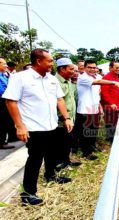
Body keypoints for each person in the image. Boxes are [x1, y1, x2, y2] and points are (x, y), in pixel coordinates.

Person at [3, 49, 74, 205]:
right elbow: (11, 101)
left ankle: (50, 175)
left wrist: (66, 118)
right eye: (49, 61)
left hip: (51, 125)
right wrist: (20, 126)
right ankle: (28, 193)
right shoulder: (20, 78)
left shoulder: (51, 79)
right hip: (34, 128)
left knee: (52, 154)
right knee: (35, 159)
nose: (52, 64)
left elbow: (60, 99)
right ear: (38, 61)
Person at [75, 60, 119, 160]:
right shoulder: (83, 77)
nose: (92, 69)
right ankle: (86, 152)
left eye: (94, 67)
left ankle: (92, 147)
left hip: (95, 108)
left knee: (94, 131)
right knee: (86, 132)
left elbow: (99, 93)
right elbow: (98, 82)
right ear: (84, 68)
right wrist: (114, 82)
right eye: (89, 67)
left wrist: (100, 107)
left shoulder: (98, 76)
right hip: (85, 109)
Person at [54, 58, 81, 170]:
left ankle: (67, 160)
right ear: (62, 69)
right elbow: (57, 102)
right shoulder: (55, 82)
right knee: (60, 143)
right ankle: (59, 164)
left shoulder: (69, 81)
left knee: (68, 141)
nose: (74, 72)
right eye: (71, 69)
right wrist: (64, 117)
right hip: (61, 120)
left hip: (70, 118)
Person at [100, 61, 119, 143]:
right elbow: (104, 93)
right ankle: (110, 139)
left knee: (115, 121)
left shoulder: (116, 77)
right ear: (110, 68)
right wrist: (110, 103)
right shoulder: (106, 78)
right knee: (110, 122)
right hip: (110, 105)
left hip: (117, 103)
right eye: (116, 68)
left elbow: (116, 91)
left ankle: (113, 138)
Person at [0, 57, 16, 149]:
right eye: (4, 64)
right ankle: (1, 142)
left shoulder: (3, 75)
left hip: (5, 99)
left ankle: (10, 137)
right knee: (2, 122)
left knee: (7, 120)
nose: (6, 66)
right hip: (1, 100)